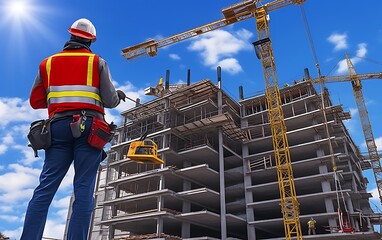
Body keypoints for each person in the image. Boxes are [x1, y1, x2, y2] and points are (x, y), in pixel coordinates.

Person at [21, 18, 126, 240]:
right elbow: (109, 99)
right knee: (83, 189)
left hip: (57, 127)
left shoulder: (47, 64)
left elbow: (36, 101)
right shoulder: (97, 62)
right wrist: (118, 97)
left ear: (70, 35)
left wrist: (61, 100)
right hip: (89, 128)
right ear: (91, 40)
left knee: (45, 188)